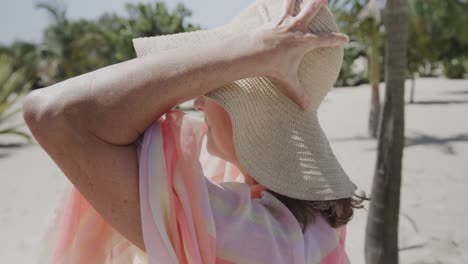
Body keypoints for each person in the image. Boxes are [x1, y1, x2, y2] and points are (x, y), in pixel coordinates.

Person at [23, 0, 366, 263]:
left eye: (218, 90)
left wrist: (251, 52)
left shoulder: (249, 236)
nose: (199, 102)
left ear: (257, 117)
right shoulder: (320, 224)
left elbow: (54, 114)